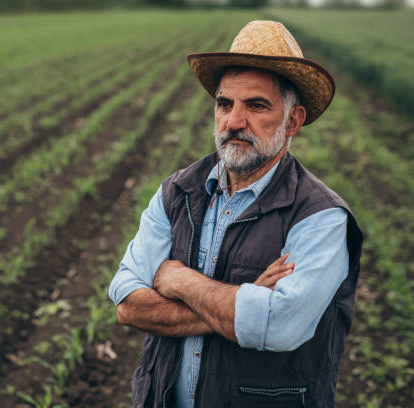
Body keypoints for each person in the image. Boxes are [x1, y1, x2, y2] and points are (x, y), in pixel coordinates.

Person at [108, 20, 363, 408]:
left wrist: (176, 280)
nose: (234, 121)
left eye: (256, 106)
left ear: (293, 121)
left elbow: (279, 326)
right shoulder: (176, 193)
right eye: (225, 104)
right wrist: (244, 306)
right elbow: (128, 305)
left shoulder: (320, 217)